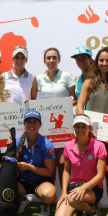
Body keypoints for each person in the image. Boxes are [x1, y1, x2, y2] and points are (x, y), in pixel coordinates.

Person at [76, 47, 108, 207]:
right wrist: (87, 126)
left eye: (107, 60)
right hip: (92, 136)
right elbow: (79, 106)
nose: (104, 63)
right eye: (101, 60)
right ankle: (94, 208)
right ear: (96, 62)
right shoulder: (89, 81)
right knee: (92, 173)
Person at [54, 115, 106, 216]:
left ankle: (91, 212)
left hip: (93, 189)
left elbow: (101, 175)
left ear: (89, 128)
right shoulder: (68, 145)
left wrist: (83, 188)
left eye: (84, 126)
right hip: (74, 188)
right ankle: (80, 209)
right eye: (77, 126)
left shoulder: (99, 146)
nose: (80, 130)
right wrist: (63, 192)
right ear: (74, 128)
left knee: (73, 199)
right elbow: (66, 171)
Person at [37, 47, 77, 189]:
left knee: (62, 162)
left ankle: (65, 195)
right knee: (49, 161)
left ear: (59, 60)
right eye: (48, 58)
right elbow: (37, 101)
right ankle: (50, 195)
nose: (51, 60)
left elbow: (75, 99)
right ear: (44, 61)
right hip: (46, 126)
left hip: (63, 124)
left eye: (54, 57)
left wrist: (61, 106)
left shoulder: (66, 76)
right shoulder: (39, 79)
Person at [14, 110, 57, 216]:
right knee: (5, 187)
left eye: (35, 121)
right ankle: (23, 200)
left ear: (40, 124)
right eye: (28, 122)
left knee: (49, 195)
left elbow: (49, 172)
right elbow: (10, 164)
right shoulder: (17, 142)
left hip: (41, 181)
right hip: (23, 181)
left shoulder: (47, 145)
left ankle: (45, 204)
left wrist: (29, 167)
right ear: (24, 124)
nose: (32, 124)